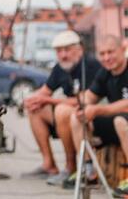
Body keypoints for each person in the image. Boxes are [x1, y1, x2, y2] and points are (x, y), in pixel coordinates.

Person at [20, 30, 101, 186]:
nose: (63, 55)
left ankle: (70, 167)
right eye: (59, 51)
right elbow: (44, 91)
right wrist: (31, 100)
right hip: (70, 114)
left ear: (79, 49)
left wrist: (46, 99)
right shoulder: (60, 68)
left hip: (92, 115)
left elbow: (85, 100)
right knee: (36, 110)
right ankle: (49, 164)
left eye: (67, 50)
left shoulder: (90, 65)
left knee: (62, 110)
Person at [67, 34, 128, 192]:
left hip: (123, 123)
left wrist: (99, 109)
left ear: (123, 49)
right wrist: (82, 104)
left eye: (111, 52)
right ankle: (89, 172)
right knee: (77, 119)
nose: (107, 57)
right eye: (102, 54)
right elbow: (90, 96)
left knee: (120, 122)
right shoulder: (104, 73)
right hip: (117, 123)